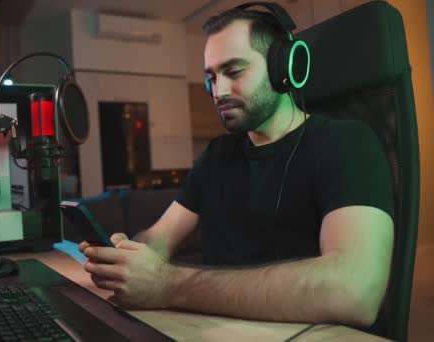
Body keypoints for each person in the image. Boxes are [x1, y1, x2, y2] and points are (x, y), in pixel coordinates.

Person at [79, 4, 394, 328]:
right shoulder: (217, 156)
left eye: (234, 71)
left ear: (282, 67)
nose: (219, 91)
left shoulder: (346, 144)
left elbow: (355, 291)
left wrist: (166, 285)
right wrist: (127, 256)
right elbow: (161, 237)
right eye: (211, 78)